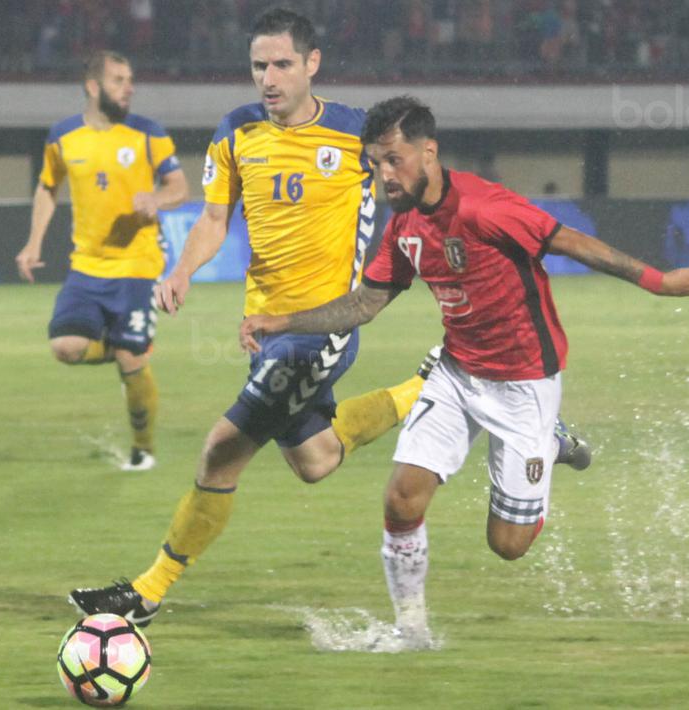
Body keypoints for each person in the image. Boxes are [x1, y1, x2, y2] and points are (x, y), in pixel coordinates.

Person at [238, 96, 689, 647]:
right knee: (401, 499)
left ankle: (551, 439)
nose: (384, 174)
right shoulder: (404, 228)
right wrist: (282, 321)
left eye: (393, 159)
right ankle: (412, 632)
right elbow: (363, 305)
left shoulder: (484, 209)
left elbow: (572, 242)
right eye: (374, 163)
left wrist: (661, 283)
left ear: (429, 151)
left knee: (508, 546)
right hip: (455, 372)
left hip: (523, 386)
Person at [68, 8, 439, 627]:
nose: (268, 78)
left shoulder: (355, 134)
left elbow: (420, 186)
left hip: (320, 329)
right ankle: (433, 387)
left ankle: (148, 592)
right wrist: (182, 270)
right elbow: (214, 219)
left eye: (282, 64)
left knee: (220, 453)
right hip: (264, 331)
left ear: (312, 64)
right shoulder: (236, 130)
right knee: (315, 459)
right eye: (259, 65)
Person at [15, 50, 188, 471]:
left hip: (138, 265)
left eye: (130, 80)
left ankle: (143, 450)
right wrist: (33, 241)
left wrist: (157, 199)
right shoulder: (62, 137)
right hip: (87, 266)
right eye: (118, 80)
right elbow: (46, 187)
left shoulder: (148, 133)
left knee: (132, 364)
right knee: (65, 347)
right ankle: (127, 343)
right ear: (93, 87)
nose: (128, 88)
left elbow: (180, 186)